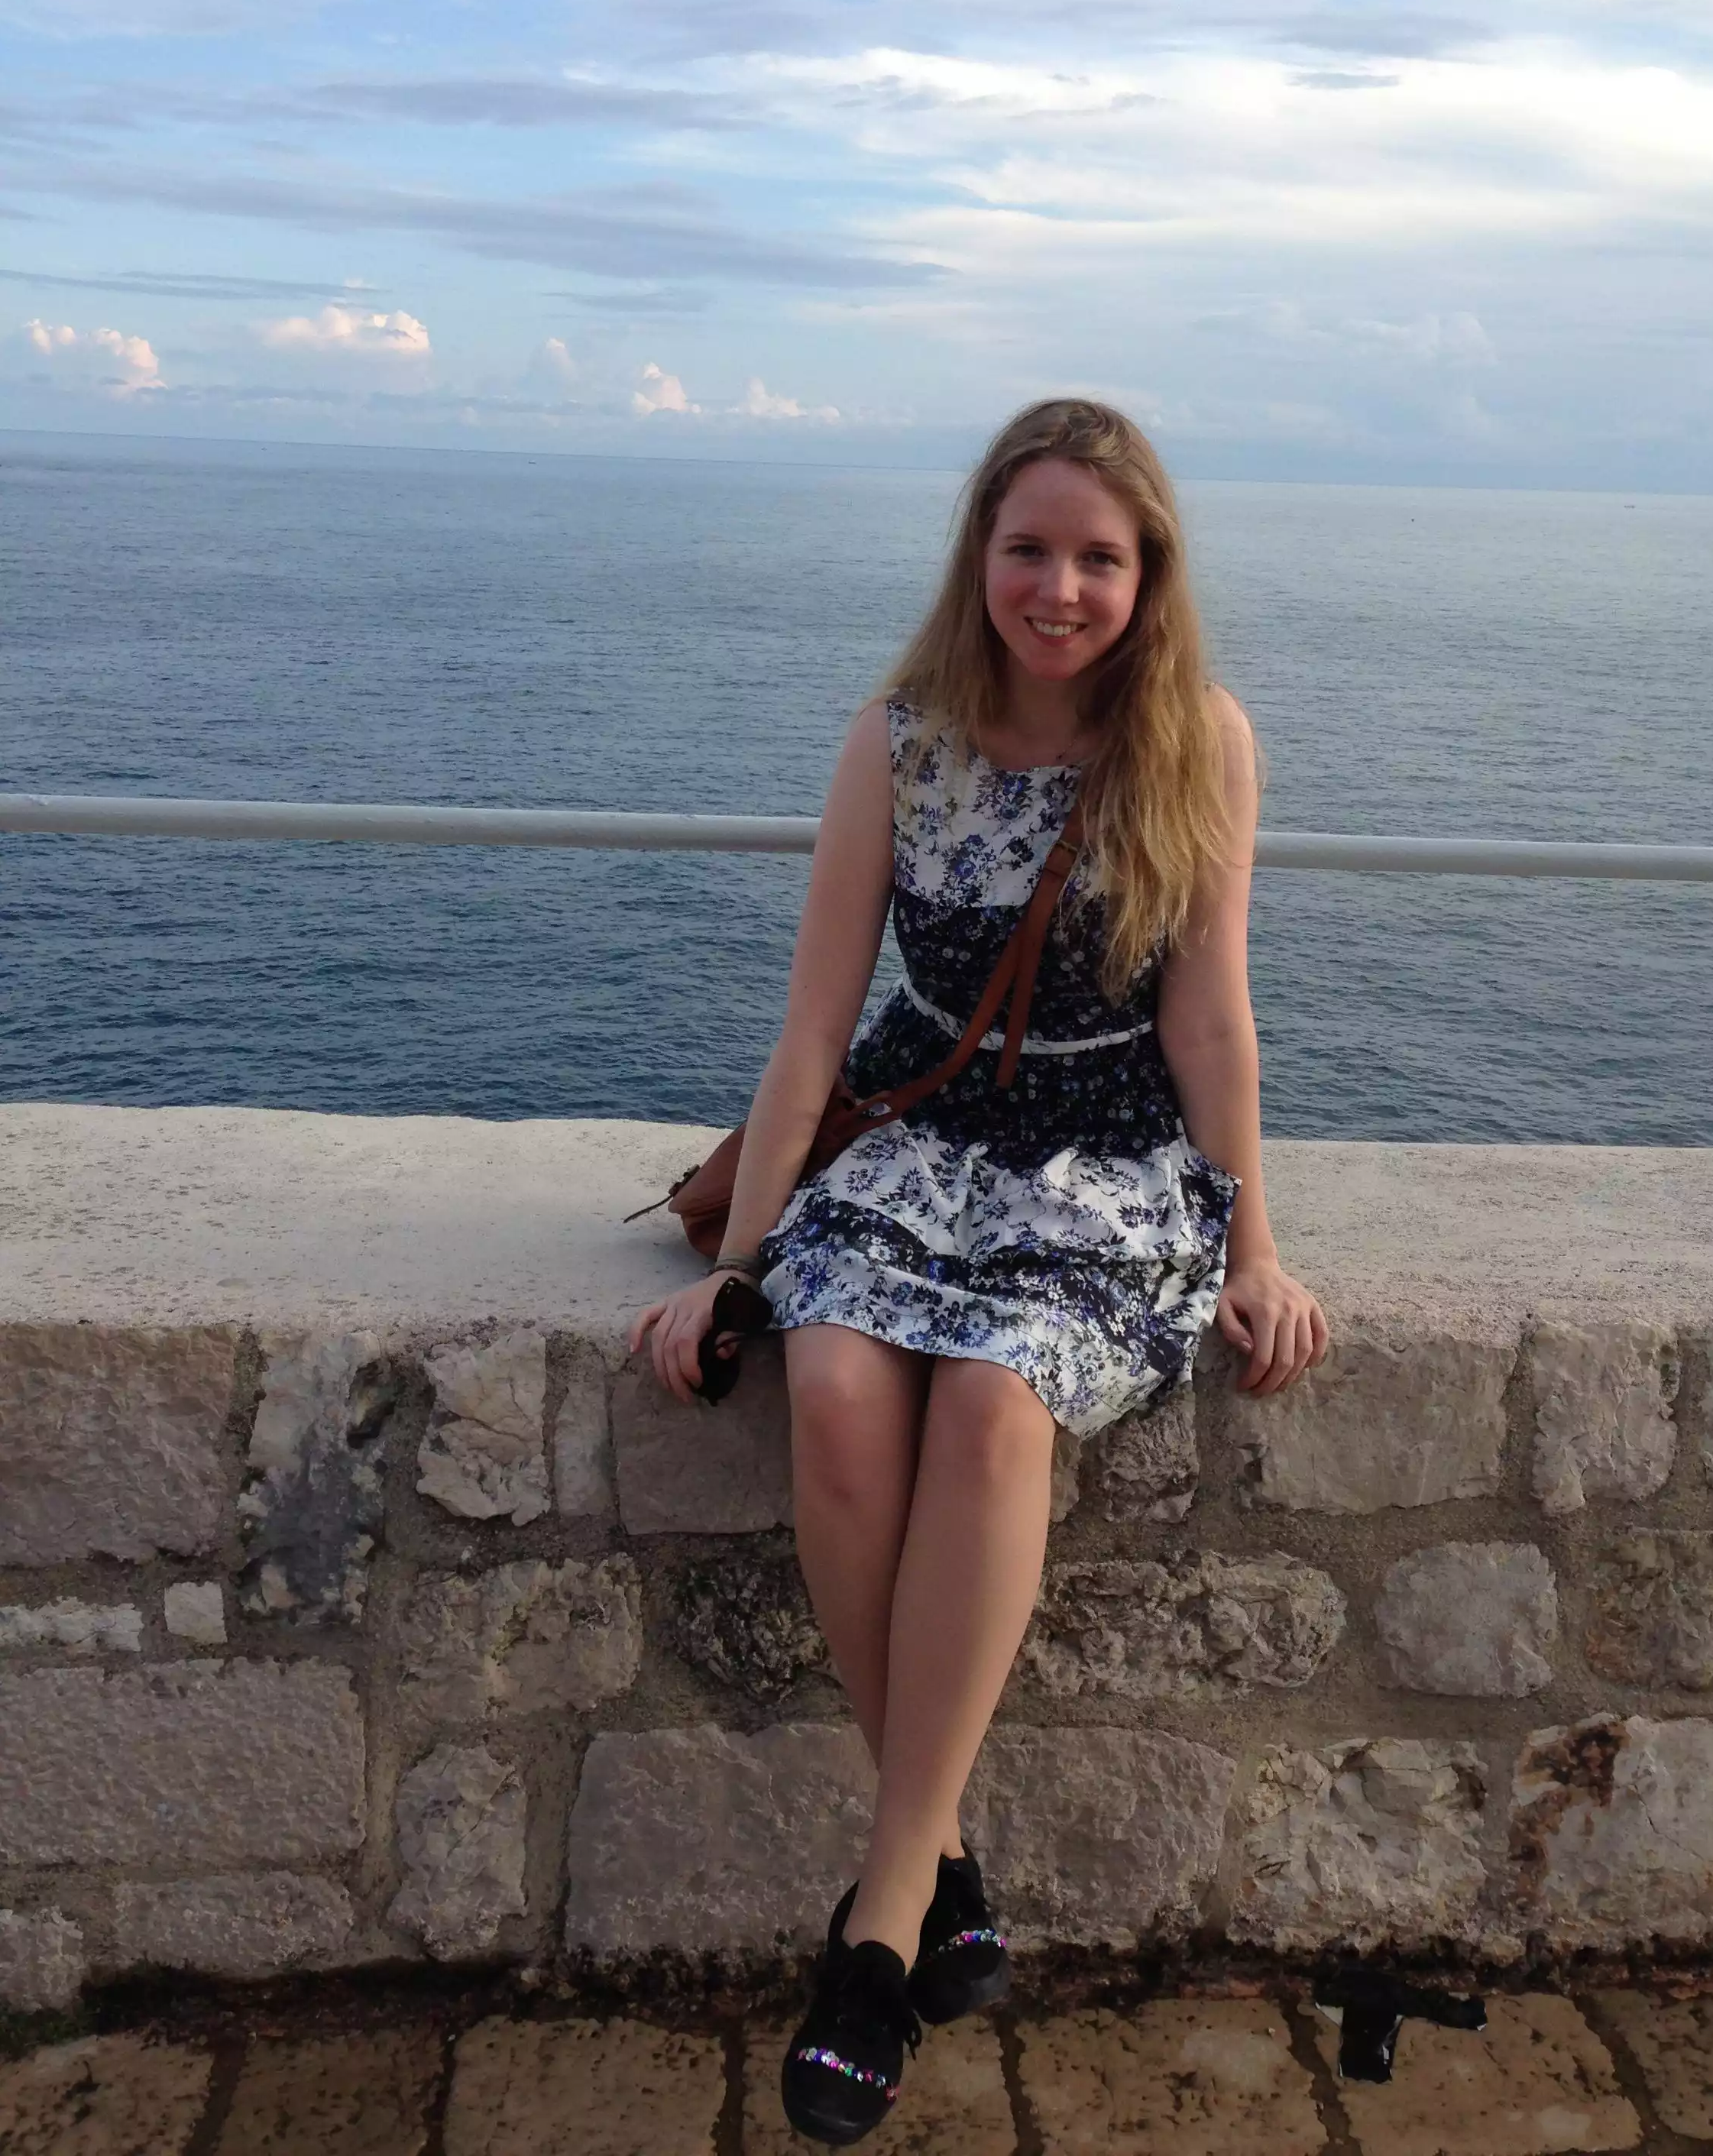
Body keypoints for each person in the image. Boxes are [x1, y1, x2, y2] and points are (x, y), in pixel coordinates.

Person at [631, 397, 1328, 2145]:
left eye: (1100, 557)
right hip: (922, 1150)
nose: (1061, 588)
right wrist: (743, 1270)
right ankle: (939, 1859)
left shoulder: (1198, 743)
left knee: (1000, 1407)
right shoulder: (900, 742)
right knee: (835, 1387)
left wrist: (1254, 1241)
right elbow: (813, 1036)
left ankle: (878, 1929)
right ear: (981, 556)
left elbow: (1211, 1020)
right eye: (1031, 549)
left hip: (1107, 1167)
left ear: (1148, 574)